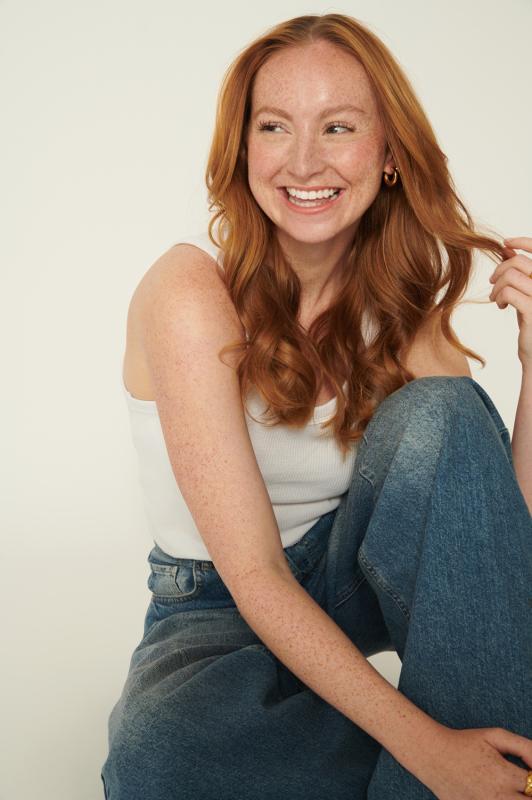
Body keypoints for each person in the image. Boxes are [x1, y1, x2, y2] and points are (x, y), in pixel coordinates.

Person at [100, 13, 532, 800]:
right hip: (216, 606)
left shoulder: (396, 312)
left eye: (338, 127)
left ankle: (476, 769)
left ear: (389, 154)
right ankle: (470, 770)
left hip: (342, 579)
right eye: (274, 126)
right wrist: (432, 750)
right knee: (160, 753)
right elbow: (257, 573)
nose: (304, 161)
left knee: (444, 413)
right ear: (243, 148)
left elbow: (492, 544)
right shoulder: (188, 292)